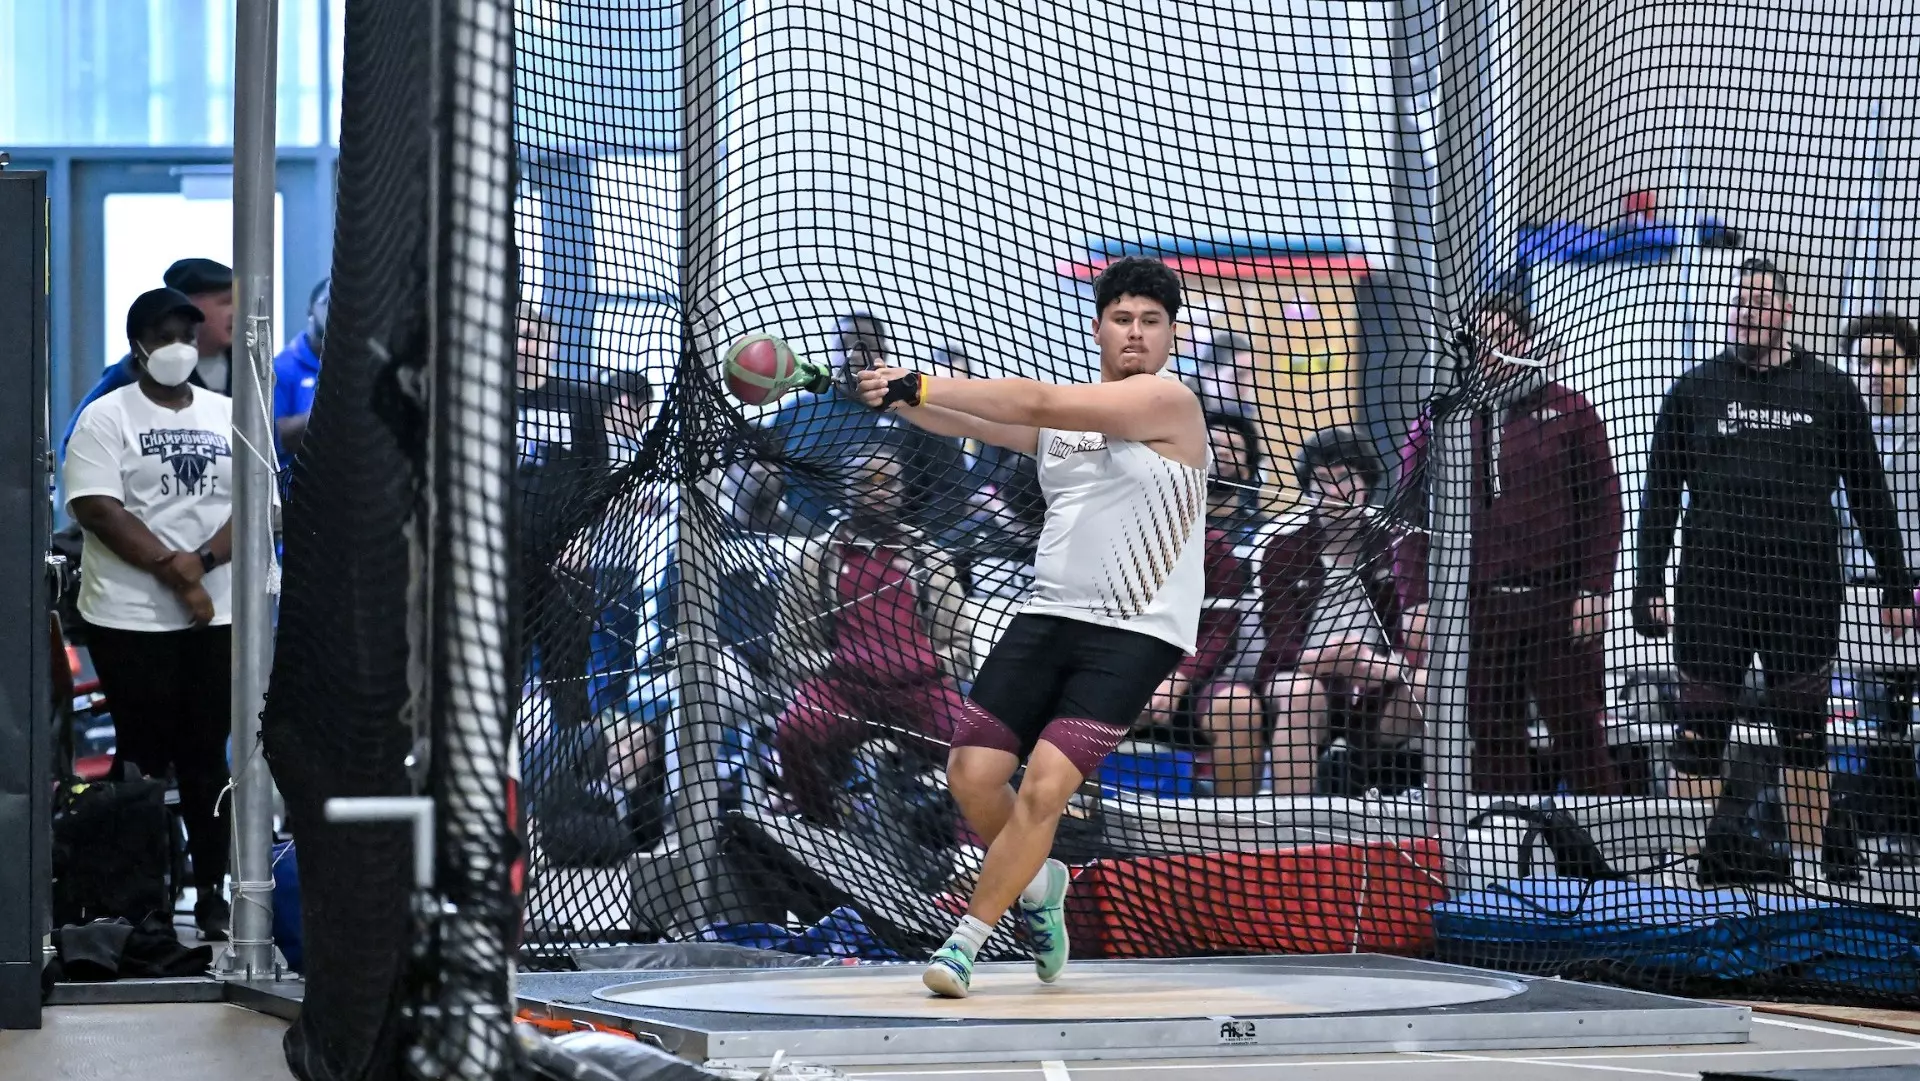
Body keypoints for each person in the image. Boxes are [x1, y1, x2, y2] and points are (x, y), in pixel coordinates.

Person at [856, 255, 1209, 998]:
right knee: (972, 776)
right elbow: (975, 420)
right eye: (1122, 319)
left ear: (1171, 335)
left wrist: (919, 378)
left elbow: (1036, 401)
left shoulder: (1168, 403)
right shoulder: (1078, 426)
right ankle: (1041, 881)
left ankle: (967, 941)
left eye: (1151, 321)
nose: (1136, 333)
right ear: (1099, 328)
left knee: (1046, 786)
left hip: (1134, 632)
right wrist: (894, 395)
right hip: (1048, 616)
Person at [1633, 258, 1916, 881]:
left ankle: (1811, 872)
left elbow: (1869, 493)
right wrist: (1647, 584)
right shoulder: (1695, 390)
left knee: (1804, 736)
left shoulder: (1831, 390)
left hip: (1802, 589)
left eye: (1762, 299)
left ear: (1786, 310)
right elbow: (1660, 496)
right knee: (1699, 736)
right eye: (1739, 301)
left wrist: (1897, 586)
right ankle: (1682, 881)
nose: (1749, 310)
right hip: (1712, 590)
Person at [62, 288, 237, 940]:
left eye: (188, 337)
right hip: (129, 616)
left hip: (215, 614)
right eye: (167, 336)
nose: (181, 349)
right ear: (139, 344)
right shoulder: (107, 417)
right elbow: (96, 507)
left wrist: (200, 564)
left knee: (205, 756)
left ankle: (213, 892)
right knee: (142, 755)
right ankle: (141, 899)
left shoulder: (226, 413)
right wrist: (177, 573)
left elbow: (257, 500)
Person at [1396, 295, 1623, 795]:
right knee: (1493, 737)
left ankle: (1606, 854)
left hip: (1558, 601)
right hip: (1474, 606)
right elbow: (1408, 517)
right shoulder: (1442, 417)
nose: (1494, 351)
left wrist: (1593, 590)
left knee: (1581, 732)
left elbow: (1603, 509)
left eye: (1505, 338)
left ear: (1527, 340)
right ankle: (1502, 849)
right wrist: (1415, 600)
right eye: (1482, 341)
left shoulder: (1570, 411)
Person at [771, 449, 974, 823]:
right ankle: (822, 823)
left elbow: (962, 645)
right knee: (792, 733)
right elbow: (786, 650)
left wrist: (921, 663)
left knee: (980, 751)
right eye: (868, 482)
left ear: (902, 490)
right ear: (846, 489)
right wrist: (836, 665)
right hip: (842, 691)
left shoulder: (931, 560)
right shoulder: (814, 562)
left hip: (922, 693)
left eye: (889, 483)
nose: (879, 491)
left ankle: (969, 857)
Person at [1257, 429, 1426, 795]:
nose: (1333, 493)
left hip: (1377, 685)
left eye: (1346, 479)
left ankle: (1435, 813)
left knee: (1430, 687)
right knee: (1302, 692)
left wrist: (1381, 665)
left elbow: (1411, 630)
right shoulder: (1282, 547)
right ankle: (1293, 824)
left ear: (1367, 484)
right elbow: (1279, 642)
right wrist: (1327, 660)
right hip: (1299, 675)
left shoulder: (1395, 542)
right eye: (1320, 482)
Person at [1134, 411, 1269, 796]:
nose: (1220, 454)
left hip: (1220, 683)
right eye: (1213, 446)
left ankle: (1236, 838)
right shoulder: (1142, 527)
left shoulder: (1265, 539)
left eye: (1233, 449)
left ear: (1249, 470)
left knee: (1238, 710)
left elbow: (1221, 628)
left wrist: (1179, 679)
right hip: (1138, 671)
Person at [755, 313, 958, 533]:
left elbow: (952, 493)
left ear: (884, 352)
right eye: (843, 345)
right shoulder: (797, 411)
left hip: (890, 554)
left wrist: (917, 544)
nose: (852, 355)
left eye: (864, 346)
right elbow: (762, 477)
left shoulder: (916, 413)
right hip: (803, 548)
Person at [516, 304, 615, 738]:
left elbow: (598, 475)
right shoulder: (483, 399)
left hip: (566, 566)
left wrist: (583, 537)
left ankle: (576, 790)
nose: (524, 346)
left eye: (533, 336)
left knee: (568, 683)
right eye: (516, 335)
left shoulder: (580, 400)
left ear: (552, 344)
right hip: (500, 567)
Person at [61, 258, 235, 456]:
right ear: (190, 307)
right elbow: (77, 443)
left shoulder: (249, 370)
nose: (236, 312)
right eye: (225, 302)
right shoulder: (135, 371)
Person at [272, 278, 330, 467]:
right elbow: (274, 437)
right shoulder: (280, 369)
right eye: (328, 302)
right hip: (298, 488)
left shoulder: (367, 365)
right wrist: (331, 409)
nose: (337, 312)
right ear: (310, 310)